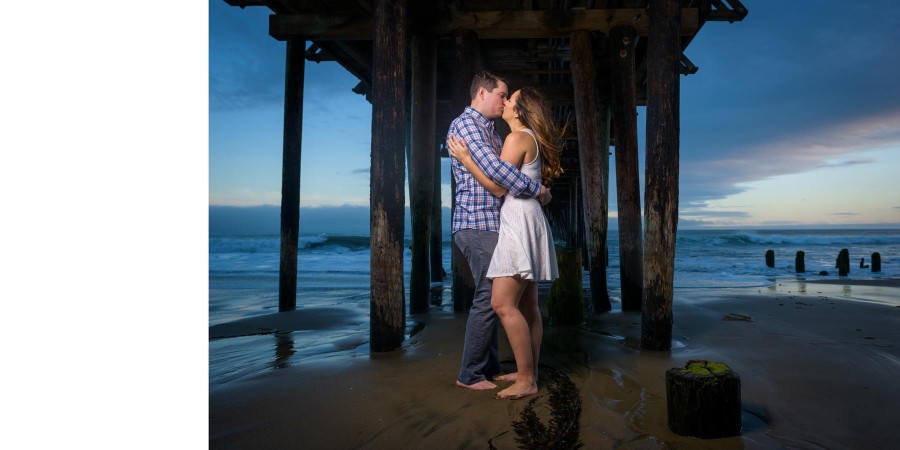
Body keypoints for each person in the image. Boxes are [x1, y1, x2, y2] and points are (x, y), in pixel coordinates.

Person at [447, 86, 564, 399]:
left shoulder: (516, 138)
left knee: (501, 302)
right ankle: (530, 371)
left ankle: (526, 380)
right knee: (527, 305)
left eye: (510, 98)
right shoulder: (524, 137)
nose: (505, 101)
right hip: (528, 217)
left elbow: (498, 187)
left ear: (520, 110)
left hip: (518, 220)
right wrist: (539, 191)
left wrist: (466, 159)